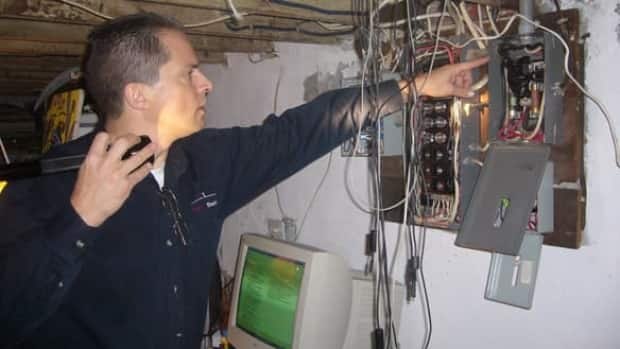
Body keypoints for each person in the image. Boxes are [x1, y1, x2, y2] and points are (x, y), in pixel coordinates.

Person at [0, 12, 487, 349]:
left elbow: (304, 130)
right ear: (137, 95)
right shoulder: (42, 187)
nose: (205, 83)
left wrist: (419, 86)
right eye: (189, 73)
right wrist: (78, 220)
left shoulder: (208, 161)